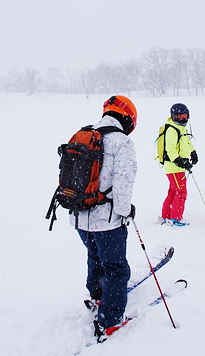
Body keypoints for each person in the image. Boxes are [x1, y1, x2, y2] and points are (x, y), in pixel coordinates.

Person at [74, 95, 137, 342]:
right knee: (116, 269)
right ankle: (110, 321)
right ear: (128, 118)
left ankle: (98, 295)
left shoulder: (83, 134)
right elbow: (123, 182)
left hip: (79, 216)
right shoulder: (122, 142)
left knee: (94, 256)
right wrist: (125, 211)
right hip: (107, 220)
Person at [158, 103, 197, 227]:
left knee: (173, 191)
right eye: (180, 117)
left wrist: (193, 152)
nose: (183, 119)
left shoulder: (182, 128)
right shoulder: (171, 129)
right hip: (174, 167)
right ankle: (176, 218)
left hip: (178, 168)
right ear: (174, 116)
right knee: (181, 192)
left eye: (185, 116)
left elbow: (187, 141)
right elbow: (170, 149)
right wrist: (180, 161)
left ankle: (167, 215)